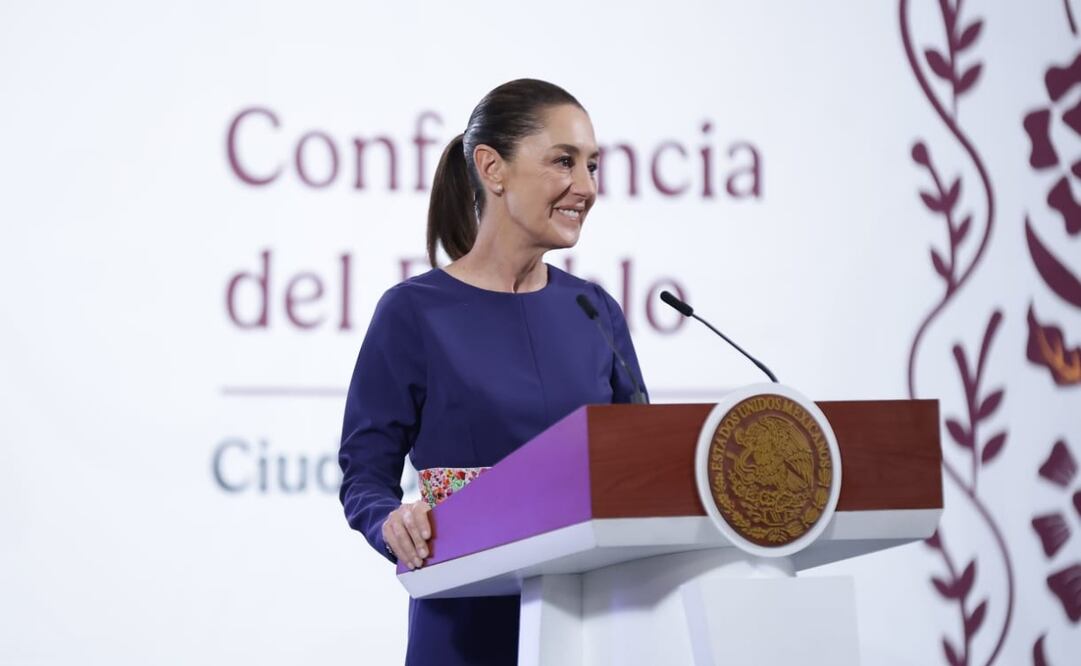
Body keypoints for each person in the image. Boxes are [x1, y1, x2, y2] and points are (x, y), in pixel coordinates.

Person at [338, 79, 647, 666]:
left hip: (594, 627)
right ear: (492, 168)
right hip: (464, 622)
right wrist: (392, 522)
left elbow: (643, 464)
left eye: (593, 166)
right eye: (563, 161)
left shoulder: (596, 311)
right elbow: (364, 476)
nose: (585, 187)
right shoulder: (412, 312)